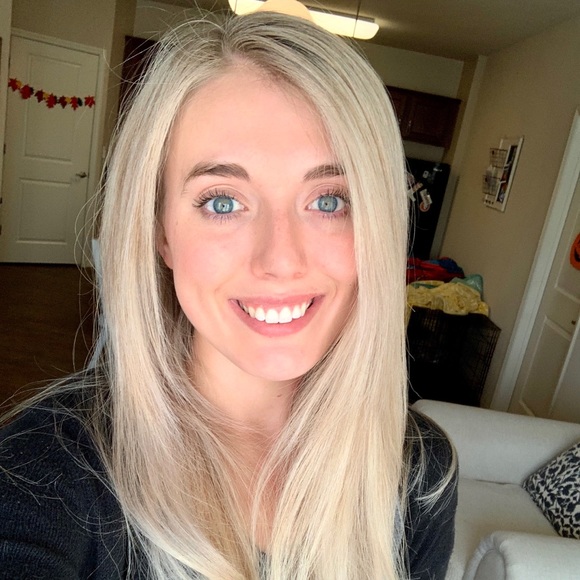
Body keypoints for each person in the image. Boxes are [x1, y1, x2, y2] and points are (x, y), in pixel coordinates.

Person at [0, 9, 457, 580]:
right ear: (161, 232)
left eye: (329, 201)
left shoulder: (418, 474)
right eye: (222, 202)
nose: (280, 261)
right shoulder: (49, 468)